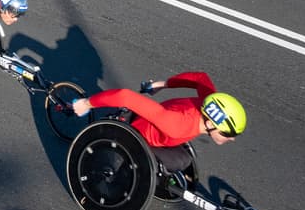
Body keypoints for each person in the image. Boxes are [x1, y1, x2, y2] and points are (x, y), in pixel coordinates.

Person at [71, 72, 247, 180]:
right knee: (182, 160)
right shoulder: (177, 125)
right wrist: (87, 103)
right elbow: (125, 96)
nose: (231, 138)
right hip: (141, 137)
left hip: (161, 126)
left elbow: (200, 78)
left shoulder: (208, 102)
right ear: (210, 123)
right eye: (228, 133)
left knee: (183, 159)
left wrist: (161, 84)